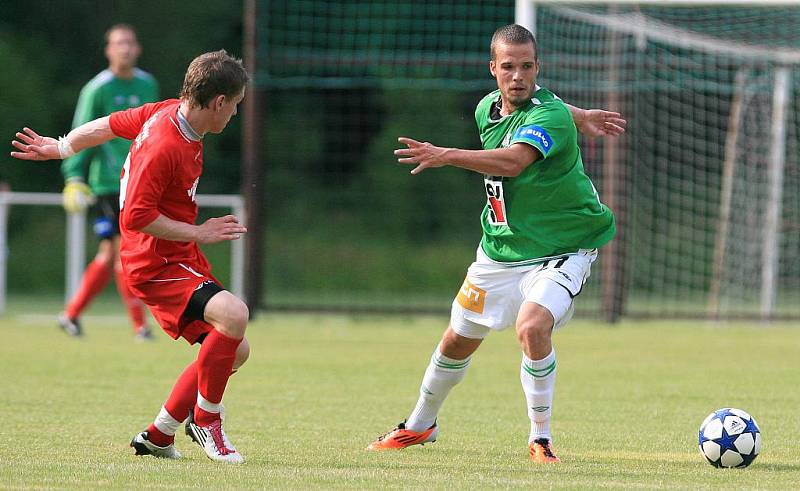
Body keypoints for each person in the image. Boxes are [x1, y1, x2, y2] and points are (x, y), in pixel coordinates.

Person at [366, 24, 624, 463]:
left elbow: (514, 162)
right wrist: (582, 116)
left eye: (527, 67)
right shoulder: (487, 109)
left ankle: (540, 439)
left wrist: (445, 154)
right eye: (508, 67)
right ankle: (419, 425)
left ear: (537, 68)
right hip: (500, 250)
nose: (518, 76)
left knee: (532, 326)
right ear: (493, 69)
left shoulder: (550, 115)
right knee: (456, 340)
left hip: (563, 248)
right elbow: (547, 111)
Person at [11, 50, 251, 464]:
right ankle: (206, 420)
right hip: (153, 262)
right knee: (233, 315)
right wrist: (201, 231)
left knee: (233, 348)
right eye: (235, 105)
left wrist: (65, 146)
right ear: (218, 102)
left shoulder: (165, 113)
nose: (234, 114)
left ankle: (159, 434)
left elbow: (107, 126)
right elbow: (136, 216)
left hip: (178, 255)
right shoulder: (165, 143)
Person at [59, 24, 159, 340]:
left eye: (130, 43)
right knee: (120, 252)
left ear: (138, 48)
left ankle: (71, 315)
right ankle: (139, 326)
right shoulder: (97, 89)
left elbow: (155, 133)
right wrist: (74, 176)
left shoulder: (148, 85)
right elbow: (80, 132)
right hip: (108, 184)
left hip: (139, 181)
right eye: (119, 44)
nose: (125, 49)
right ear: (108, 51)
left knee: (110, 254)